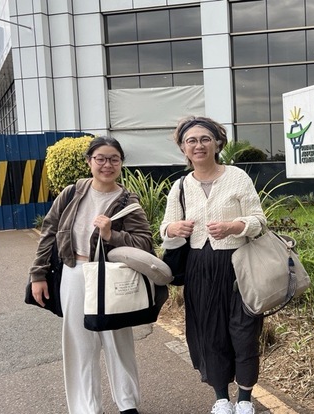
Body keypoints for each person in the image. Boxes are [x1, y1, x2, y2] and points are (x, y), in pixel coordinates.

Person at [29, 136, 153, 414]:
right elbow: (49, 232)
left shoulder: (127, 200)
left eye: (114, 159)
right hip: (74, 272)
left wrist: (111, 235)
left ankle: (128, 404)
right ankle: (86, 407)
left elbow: (145, 242)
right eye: (101, 159)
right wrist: (37, 274)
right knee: (79, 343)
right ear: (89, 161)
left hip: (111, 276)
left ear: (121, 163)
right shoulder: (72, 193)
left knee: (118, 341)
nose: (107, 165)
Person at [160, 116, 266, 414]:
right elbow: (165, 228)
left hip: (239, 268)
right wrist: (173, 229)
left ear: (218, 143)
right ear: (183, 148)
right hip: (199, 269)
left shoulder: (237, 177)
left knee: (244, 333)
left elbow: (259, 221)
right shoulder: (180, 186)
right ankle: (221, 398)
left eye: (205, 139)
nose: (199, 145)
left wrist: (235, 226)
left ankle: (244, 398)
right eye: (191, 141)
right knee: (209, 333)